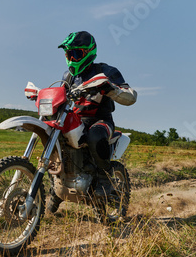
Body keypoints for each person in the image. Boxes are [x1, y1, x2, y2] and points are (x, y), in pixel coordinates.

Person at [58, 31, 137, 197]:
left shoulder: (105, 71)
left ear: (89, 52)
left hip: (101, 121)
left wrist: (110, 89)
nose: (71, 59)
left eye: (76, 53)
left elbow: (131, 96)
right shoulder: (68, 77)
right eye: (68, 54)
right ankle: (56, 186)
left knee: (95, 134)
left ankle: (104, 179)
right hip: (76, 121)